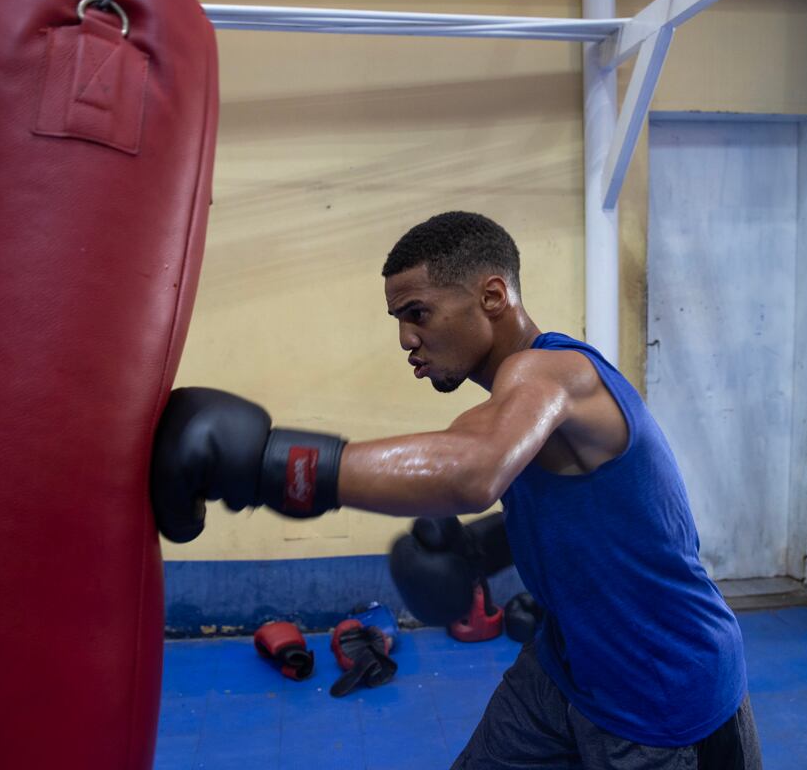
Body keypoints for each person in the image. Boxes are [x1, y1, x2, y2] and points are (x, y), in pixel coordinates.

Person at [152, 211, 762, 769]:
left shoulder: (556, 373)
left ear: (492, 296)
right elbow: (583, 507)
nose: (405, 339)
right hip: (566, 666)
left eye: (417, 313)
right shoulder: (512, 406)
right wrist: (478, 552)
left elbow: (473, 469)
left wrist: (268, 464)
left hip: (662, 692)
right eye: (398, 319)